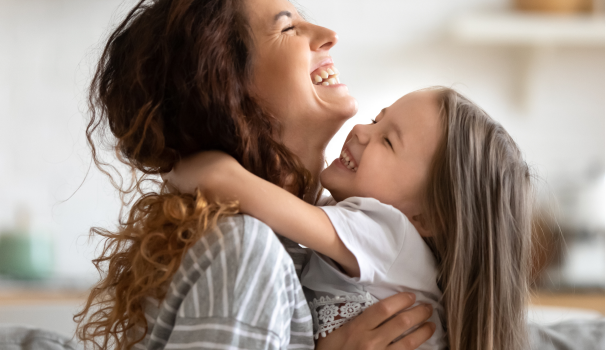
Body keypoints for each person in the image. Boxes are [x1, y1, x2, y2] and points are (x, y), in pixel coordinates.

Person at [75, 0, 435, 350]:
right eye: (288, 28)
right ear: (230, 91)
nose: (329, 36)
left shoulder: (310, 244)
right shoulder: (246, 252)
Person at [167, 87, 533, 350]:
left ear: (427, 217)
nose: (361, 130)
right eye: (377, 119)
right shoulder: (374, 239)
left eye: (388, 142)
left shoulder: (388, 231)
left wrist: (180, 164)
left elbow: (226, 183)